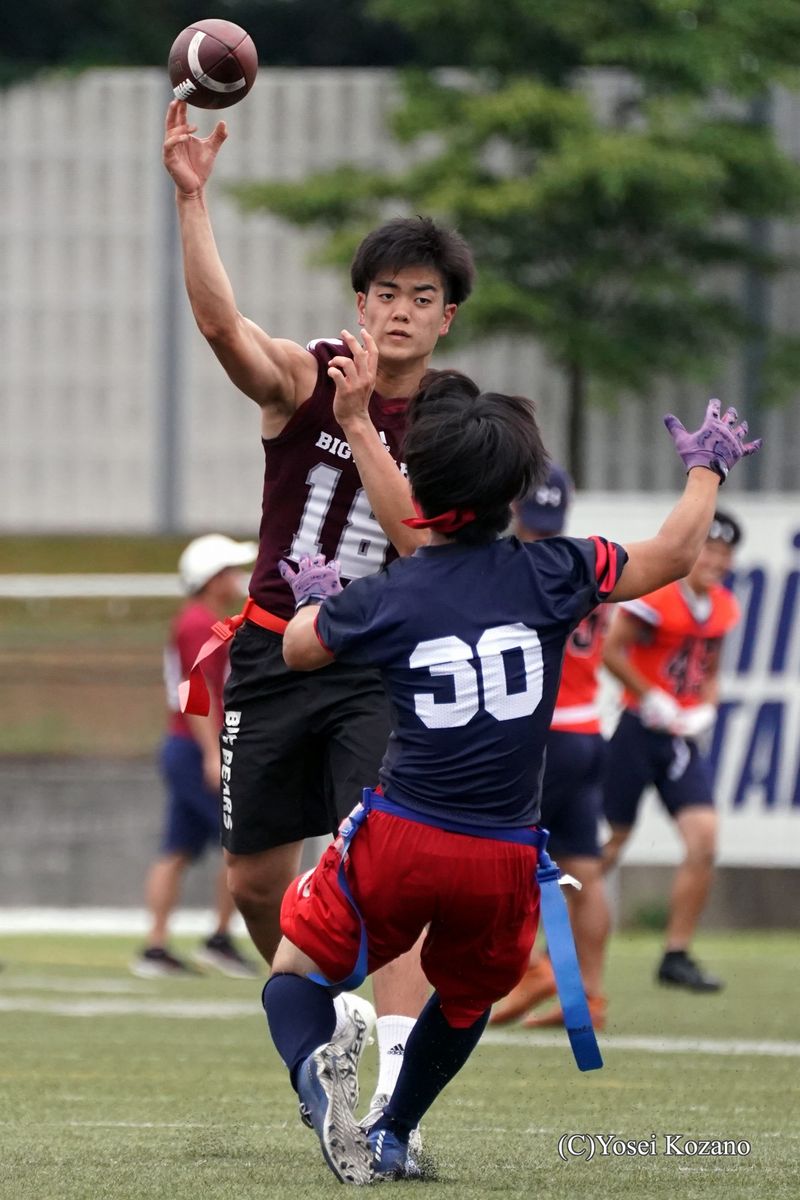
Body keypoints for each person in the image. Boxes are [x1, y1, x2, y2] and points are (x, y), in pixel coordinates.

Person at [261, 381, 760, 1184]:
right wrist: (706, 472)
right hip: (502, 854)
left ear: (421, 490)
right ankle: (395, 1133)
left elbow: (297, 649)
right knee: (463, 1001)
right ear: (518, 492)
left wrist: (325, 602)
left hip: (402, 833)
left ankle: (321, 1084)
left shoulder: (395, 592)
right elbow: (671, 555)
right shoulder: (557, 571)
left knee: (296, 972)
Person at [162, 99, 475, 1118]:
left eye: (418, 297)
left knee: (382, 866)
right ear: (358, 298)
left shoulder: (453, 418)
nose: (396, 311)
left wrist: (360, 427)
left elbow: (424, 537)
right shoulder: (305, 375)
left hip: (377, 663)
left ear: (443, 317)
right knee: (256, 879)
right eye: (382, 291)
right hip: (266, 653)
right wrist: (192, 197)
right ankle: (322, 1008)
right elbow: (218, 325)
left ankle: (392, 1105)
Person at [489, 465, 611, 1031]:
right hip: (588, 731)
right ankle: (588, 995)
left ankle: (536, 968)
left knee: (509, 861)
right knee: (583, 868)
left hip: (542, 734)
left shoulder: (514, 567)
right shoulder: (586, 564)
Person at [601, 510, 744, 992]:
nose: (717, 559)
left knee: (704, 839)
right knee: (607, 846)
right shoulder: (659, 596)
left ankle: (676, 953)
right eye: (710, 548)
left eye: (725, 552)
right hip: (639, 730)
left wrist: (705, 709)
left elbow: (711, 669)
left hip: (679, 737)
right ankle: (548, 943)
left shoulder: (723, 606)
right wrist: (651, 696)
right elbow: (612, 651)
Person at [132, 534, 259, 979]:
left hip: (187, 746)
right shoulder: (196, 623)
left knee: (178, 848)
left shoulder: (208, 620)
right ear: (211, 578)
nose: (236, 577)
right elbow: (194, 694)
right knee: (239, 844)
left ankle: (157, 946)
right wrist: (213, 753)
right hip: (193, 747)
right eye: (227, 570)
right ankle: (219, 939)